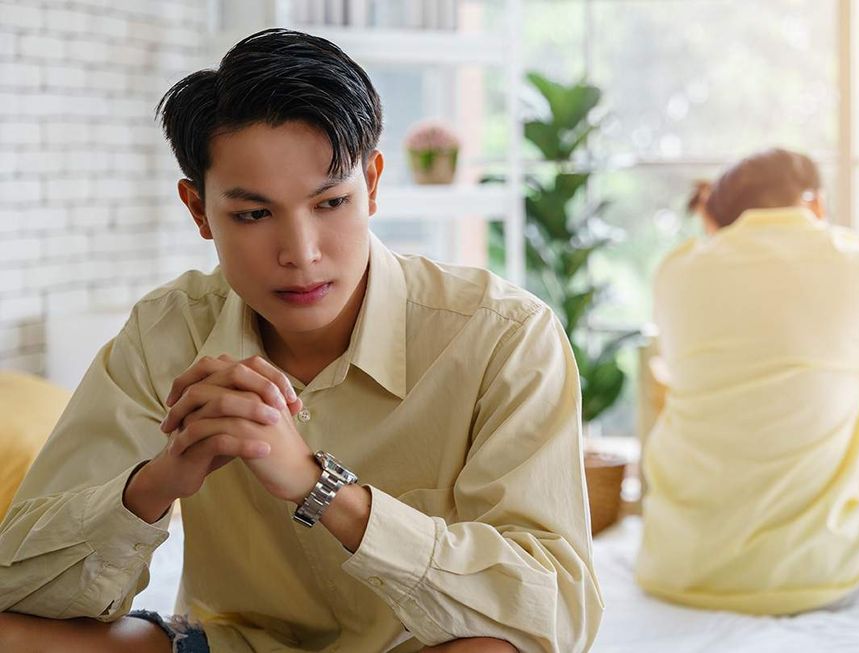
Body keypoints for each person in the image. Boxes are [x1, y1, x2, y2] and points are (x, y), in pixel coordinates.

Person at [0, 29, 602, 653]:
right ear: (199, 210)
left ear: (372, 183)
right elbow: (19, 587)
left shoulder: (503, 335)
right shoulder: (166, 333)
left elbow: (553, 610)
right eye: (254, 214)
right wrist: (158, 480)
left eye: (331, 202)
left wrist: (321, 489)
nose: (301, 253)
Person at [636, 147, 859, 615]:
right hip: (819, 578)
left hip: (676, 570)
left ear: (716, 219)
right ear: (816, 204)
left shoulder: (675, 273)